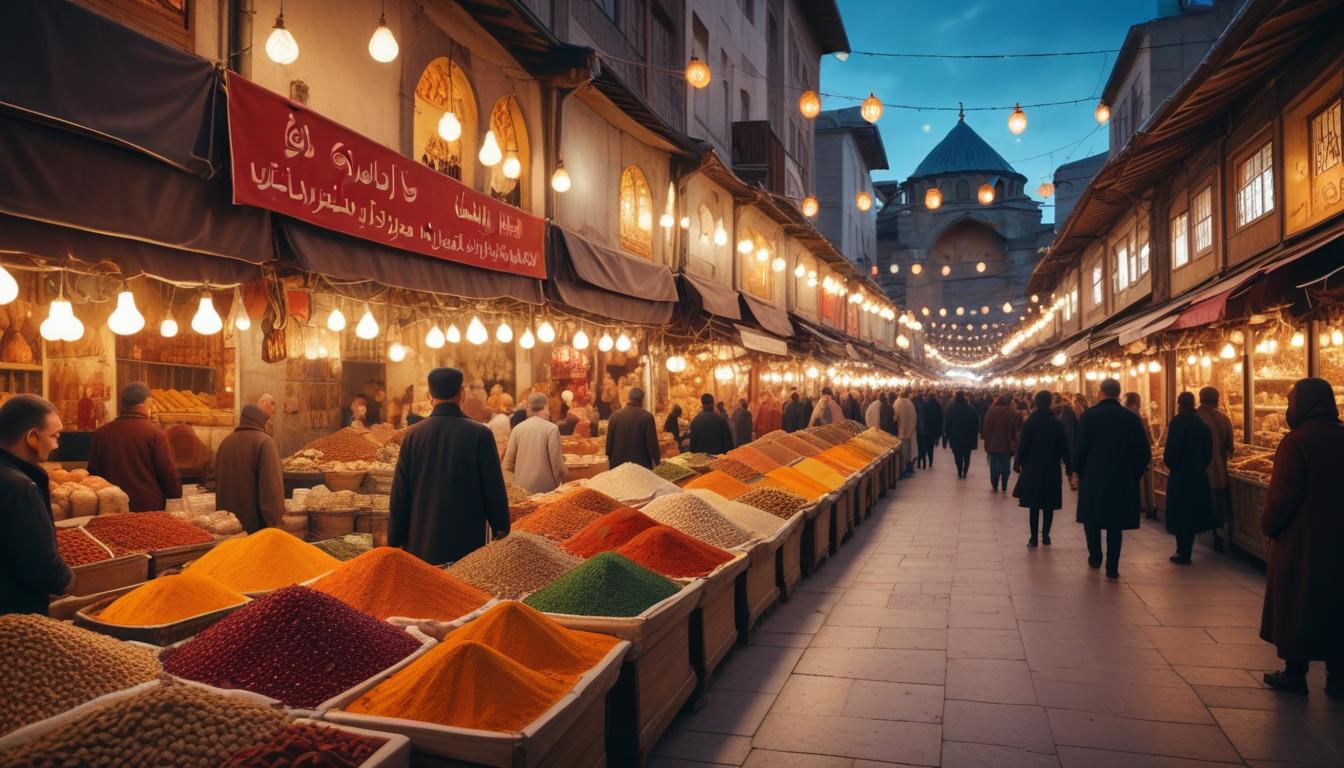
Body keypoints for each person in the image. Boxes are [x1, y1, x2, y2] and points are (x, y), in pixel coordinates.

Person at [1258, 378, 1344, 697]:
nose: (1287, 408)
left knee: (1298, 601)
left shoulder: (1297, 442)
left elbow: (1282, 496)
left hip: (1302, 539)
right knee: (1336, 601)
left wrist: (1268, 526)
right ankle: (1338, 676)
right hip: (1338, 538)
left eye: (1291, 401)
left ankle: (1295, 673)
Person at [389, 367, 510, 565]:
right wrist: (501, 525)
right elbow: (493, 486)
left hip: (422, 542)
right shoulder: (480, 434)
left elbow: (400, 493)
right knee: (462, 591)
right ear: (462, 393)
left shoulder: (413, 435)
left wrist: (395, 538)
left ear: (430, 396)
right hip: (466, 543)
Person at [0, 395, 73, 615]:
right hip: (15, 614)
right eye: (54, 436)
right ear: (32, 437)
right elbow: (43, 566)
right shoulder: (20, 487)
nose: (56, 444)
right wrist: (67, 580)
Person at [1072, 378, 1151, 579]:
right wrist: (1133, 474)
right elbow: (1143, 452)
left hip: (1093, 477)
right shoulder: (1131, 419)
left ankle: (1095, 556)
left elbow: (1080, 448)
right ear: (1118, 394)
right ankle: (1112, 565)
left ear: (1100, 393)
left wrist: (1077, 471)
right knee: (1115, 524)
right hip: (1121, 478)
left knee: (1092, 519)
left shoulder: (1089, 417)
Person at [88, 382, 182, 512]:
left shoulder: (101, 433)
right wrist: (175, 494)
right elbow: (166, 471)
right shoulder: (155, 433)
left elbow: (93, 472)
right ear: (147, 402)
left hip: (111, 507)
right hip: (147, 507)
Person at [1162, 392, 1216, 564]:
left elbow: (1170, 454)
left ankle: (1182, 551)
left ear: (1179, 404)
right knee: (1192, 514)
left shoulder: (1177, 423)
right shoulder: (1202, 425)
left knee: (1180, 514)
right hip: (1198, 476)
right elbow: (1208, 454)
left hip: (1180, 476)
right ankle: (1187, 550)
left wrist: (1173, 465)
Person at [214, 404, 285, 534]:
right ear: (262, 422)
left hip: (226, 528)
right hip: (254, 529)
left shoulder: (225, 442)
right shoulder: (265, 442)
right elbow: (271, 491)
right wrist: (275, 524)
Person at [1014, 390, 1071, 547]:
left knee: (1034, 504)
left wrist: (1020, 463)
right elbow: (1063, 447)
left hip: (1033, 468)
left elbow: (1023, 446)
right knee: (1048, 504)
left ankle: (1033, 538)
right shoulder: (1056, 423)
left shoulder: (1030, 422)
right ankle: (1046, 535)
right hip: (1051, 468)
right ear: (1050, 403)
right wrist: (1069, 465)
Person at [504, 393, 566, 493]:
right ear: (546, 407)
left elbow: (508, 464)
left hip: (521, 490)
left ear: (528, 407)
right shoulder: (551, 429)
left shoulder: (517, 429)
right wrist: (563, 483)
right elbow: (557, 464)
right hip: (546, 491)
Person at [1196, 386, 1234, 551]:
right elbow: (1230, 447)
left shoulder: (1195, 417)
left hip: (1199, 471)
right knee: (1218, 506)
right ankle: (1218, 536)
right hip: (1219, 471)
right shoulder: (1223, 418)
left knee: (1201, 505)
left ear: (1201, 399)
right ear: (1217, 399)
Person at [606, 387, 661, 470]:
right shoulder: (647, 417)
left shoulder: (614, 416)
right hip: (639, 466)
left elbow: (609, 444)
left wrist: (610, 459)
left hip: (618, 466)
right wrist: (657, 462)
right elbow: (652, 444)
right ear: (642, 400)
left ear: (629, 398)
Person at [1124, 392, 1157, 520]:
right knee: (1146, 482)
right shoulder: (1141, 419)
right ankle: (1147, 506)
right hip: (1143, 455)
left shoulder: (1127, 418)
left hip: (1131, 456)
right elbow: (1148, 438)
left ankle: (1140, 505)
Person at [982, 393, 1019, 492]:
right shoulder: (1013, 412)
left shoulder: (991, 411)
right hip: (1007, 444)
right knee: (1006, 466)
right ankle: (1004, 484)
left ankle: (994, 483)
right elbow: (1017, 429)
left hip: (993, 444)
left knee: (994, 466)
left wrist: (986, 438)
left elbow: (986, 426)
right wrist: (1015, 442)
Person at [945, 391, 980, 479]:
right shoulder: (971, 408)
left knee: (957, 454)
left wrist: (948, 433)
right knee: (967, 454)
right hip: (968, 435)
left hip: (956, 436)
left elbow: (948, 421)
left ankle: (959, 470)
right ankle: (965, 469)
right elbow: (977, 421)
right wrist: (975, 433)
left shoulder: (952, 408)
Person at [894, 390, 918, 477]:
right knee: (909, 451)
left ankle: (902, 469)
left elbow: (895, 418)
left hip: (900, 431)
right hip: (910, 432)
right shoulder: (910, 404)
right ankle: (908, 467)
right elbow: (914, 418)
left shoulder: (897, 403)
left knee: (902, 452)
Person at [922, 393, 944, 468]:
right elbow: (940, 418)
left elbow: (923, 417)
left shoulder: (925, 405)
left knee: (927, 444)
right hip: (934, 429)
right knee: (931, 445)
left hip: (927, 428)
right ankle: (931, 459)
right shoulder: (937, 405)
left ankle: (926, 457)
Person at [1055, 392, 1079, 458]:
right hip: (1068, 443)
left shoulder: (1066, 410)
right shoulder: (1065, 410)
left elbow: (1067, 428)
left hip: (1067, 443)